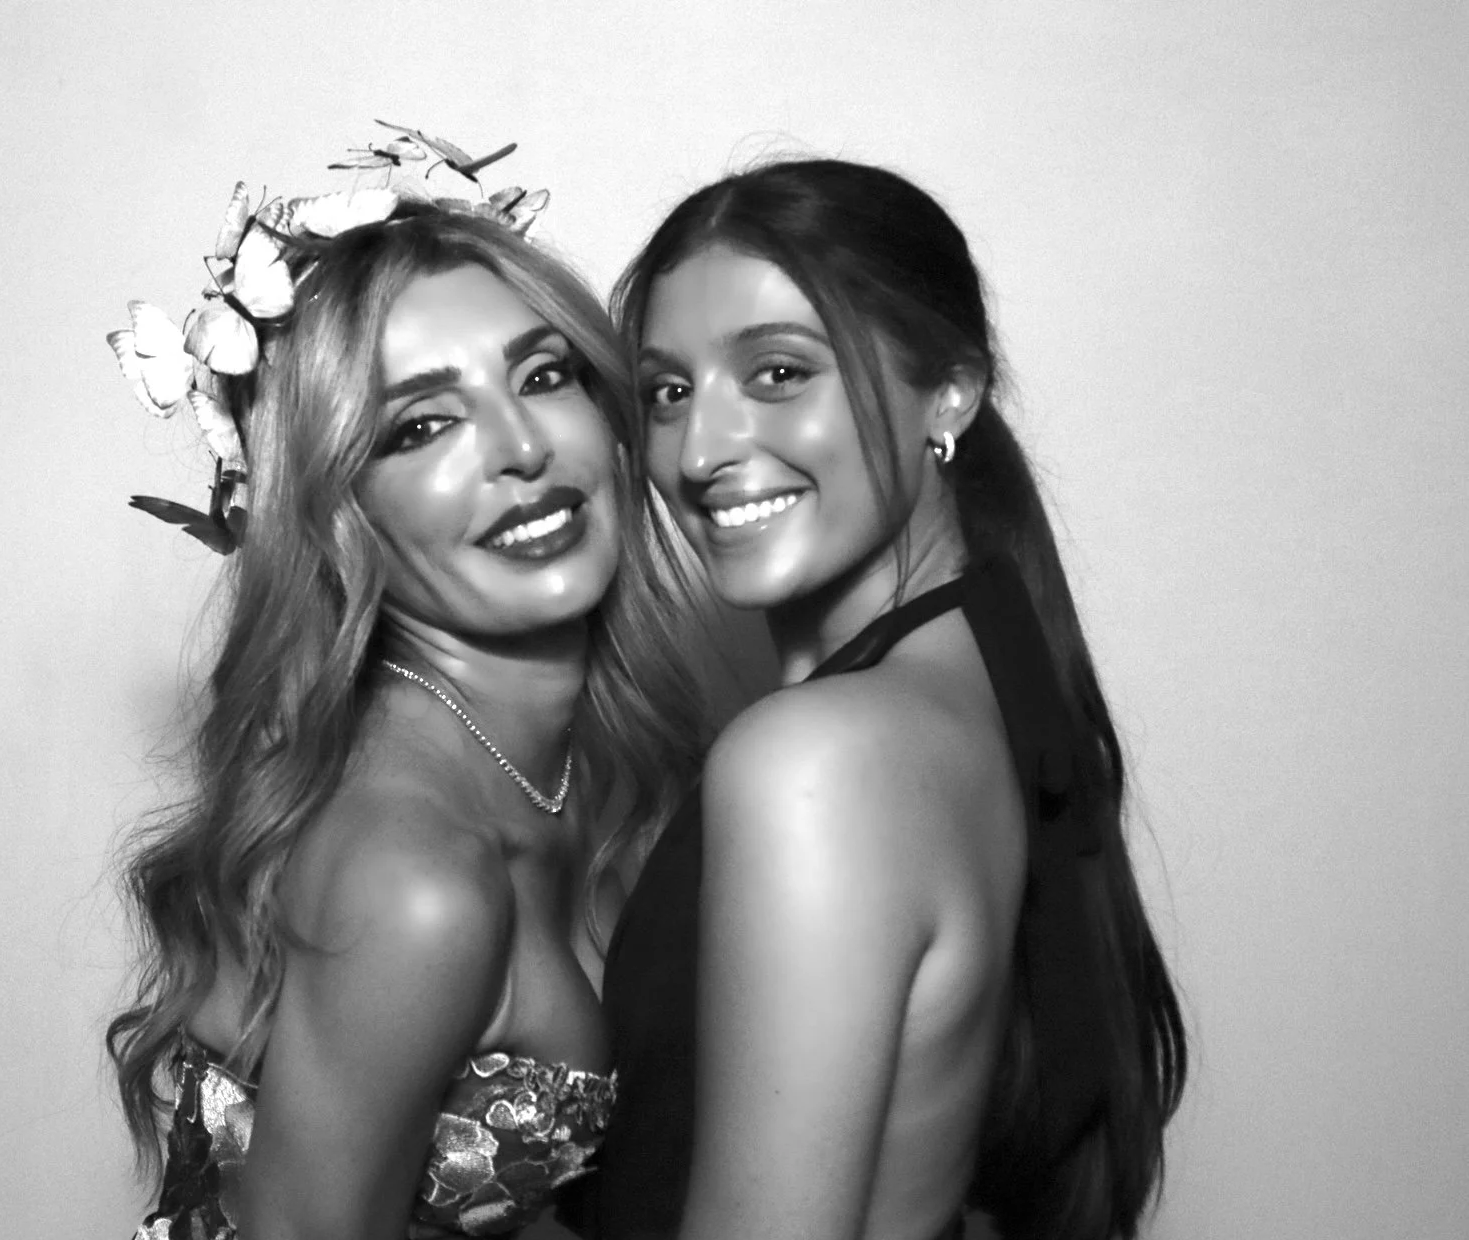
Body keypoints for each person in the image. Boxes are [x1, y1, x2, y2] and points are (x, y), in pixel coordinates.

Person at [589, 160, 1188, 1240]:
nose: (700, 451)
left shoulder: (819, 759)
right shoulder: (990, 667)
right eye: (667, 392)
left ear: (947, 392)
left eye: (777, 373)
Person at [105, 185, 709, 1240]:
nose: (521, 446)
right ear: (335, 513)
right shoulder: (413, 877)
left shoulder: (595, 765)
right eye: (421, 425)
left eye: (543, 375)